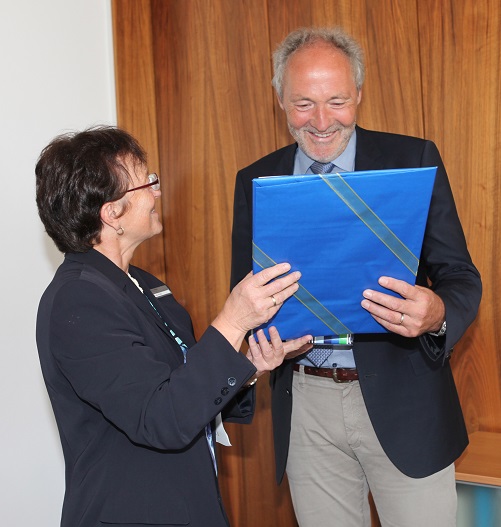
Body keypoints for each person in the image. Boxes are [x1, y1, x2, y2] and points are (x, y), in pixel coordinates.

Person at [230, 27, 482, 527]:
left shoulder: (414, 159)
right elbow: (246, 294)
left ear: (360, 95)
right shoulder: (255, 180)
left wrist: (436, 315)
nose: (321, 122)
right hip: (305, 405)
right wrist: (263, 337)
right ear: (279, 99)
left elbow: (460, 277)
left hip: (404, 403)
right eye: (303, 103)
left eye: (337, 101)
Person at [35, 126, 311, 527]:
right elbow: (161, 418)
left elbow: (182, 389)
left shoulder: (145, 284)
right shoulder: (78, 300)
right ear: (111, 213)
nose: (156, 191)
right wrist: (232, 320)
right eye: (146, 182)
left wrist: (249, 366)